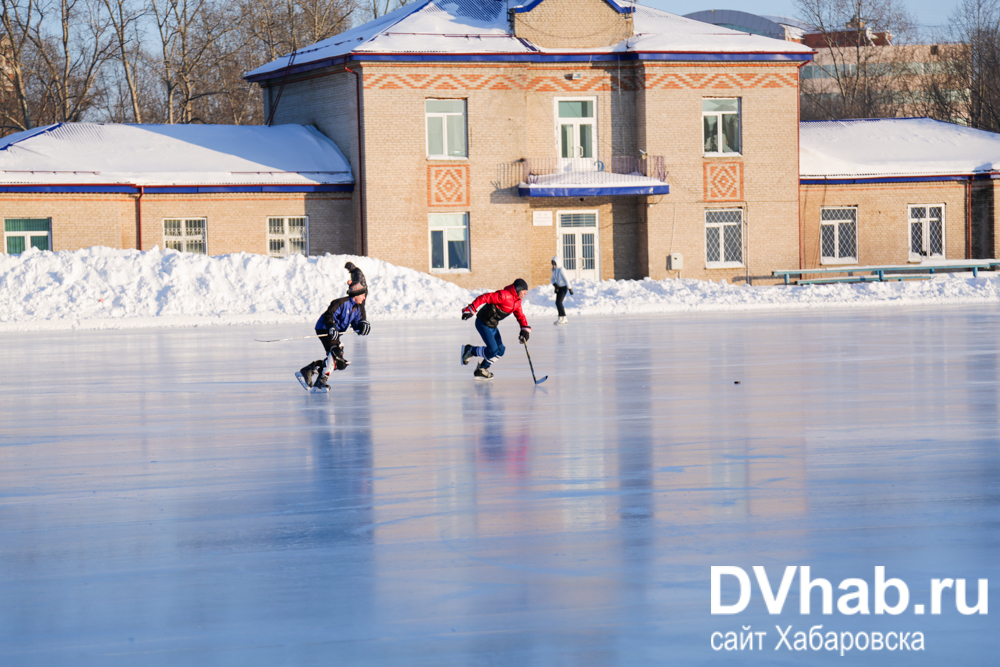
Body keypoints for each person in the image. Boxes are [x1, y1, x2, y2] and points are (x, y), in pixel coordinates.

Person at [297, 262, 371, 391]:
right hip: (324, 329)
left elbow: (354, 323)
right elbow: (328, 315)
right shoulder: (340, 303)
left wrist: (361, 327)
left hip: (334, 332)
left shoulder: (357, 309)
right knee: (335, 353)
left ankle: (310, 369)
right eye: (363, 295)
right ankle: (321, 380)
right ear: (356, 295)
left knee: (339, 362)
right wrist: (331, 327)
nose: (365, 297)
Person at [460, 278, 532, 379]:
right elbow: (485, 297)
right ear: (519, 290)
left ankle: (481, 369)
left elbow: (520, 316)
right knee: (493, 350)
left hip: (492, 325)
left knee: (500, 350)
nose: (525, 294)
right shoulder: (504, 295)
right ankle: (470, 350)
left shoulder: (517, 302)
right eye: (524, 292)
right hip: (482, 322)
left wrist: (524, 329)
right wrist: (471, 309)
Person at [550, 256, 573, 325]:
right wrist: (555, 284)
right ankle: (560, 317)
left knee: (559, 302)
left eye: (555, 263)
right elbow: (552, 279)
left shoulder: (562, 270)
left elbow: (566, 279)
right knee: (557, 302)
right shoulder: (555, 270)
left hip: (564, 287)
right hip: (559, 288)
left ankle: (564, 317)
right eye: (553, 263)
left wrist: (570, 288)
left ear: (558, 262)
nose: (554, 264)